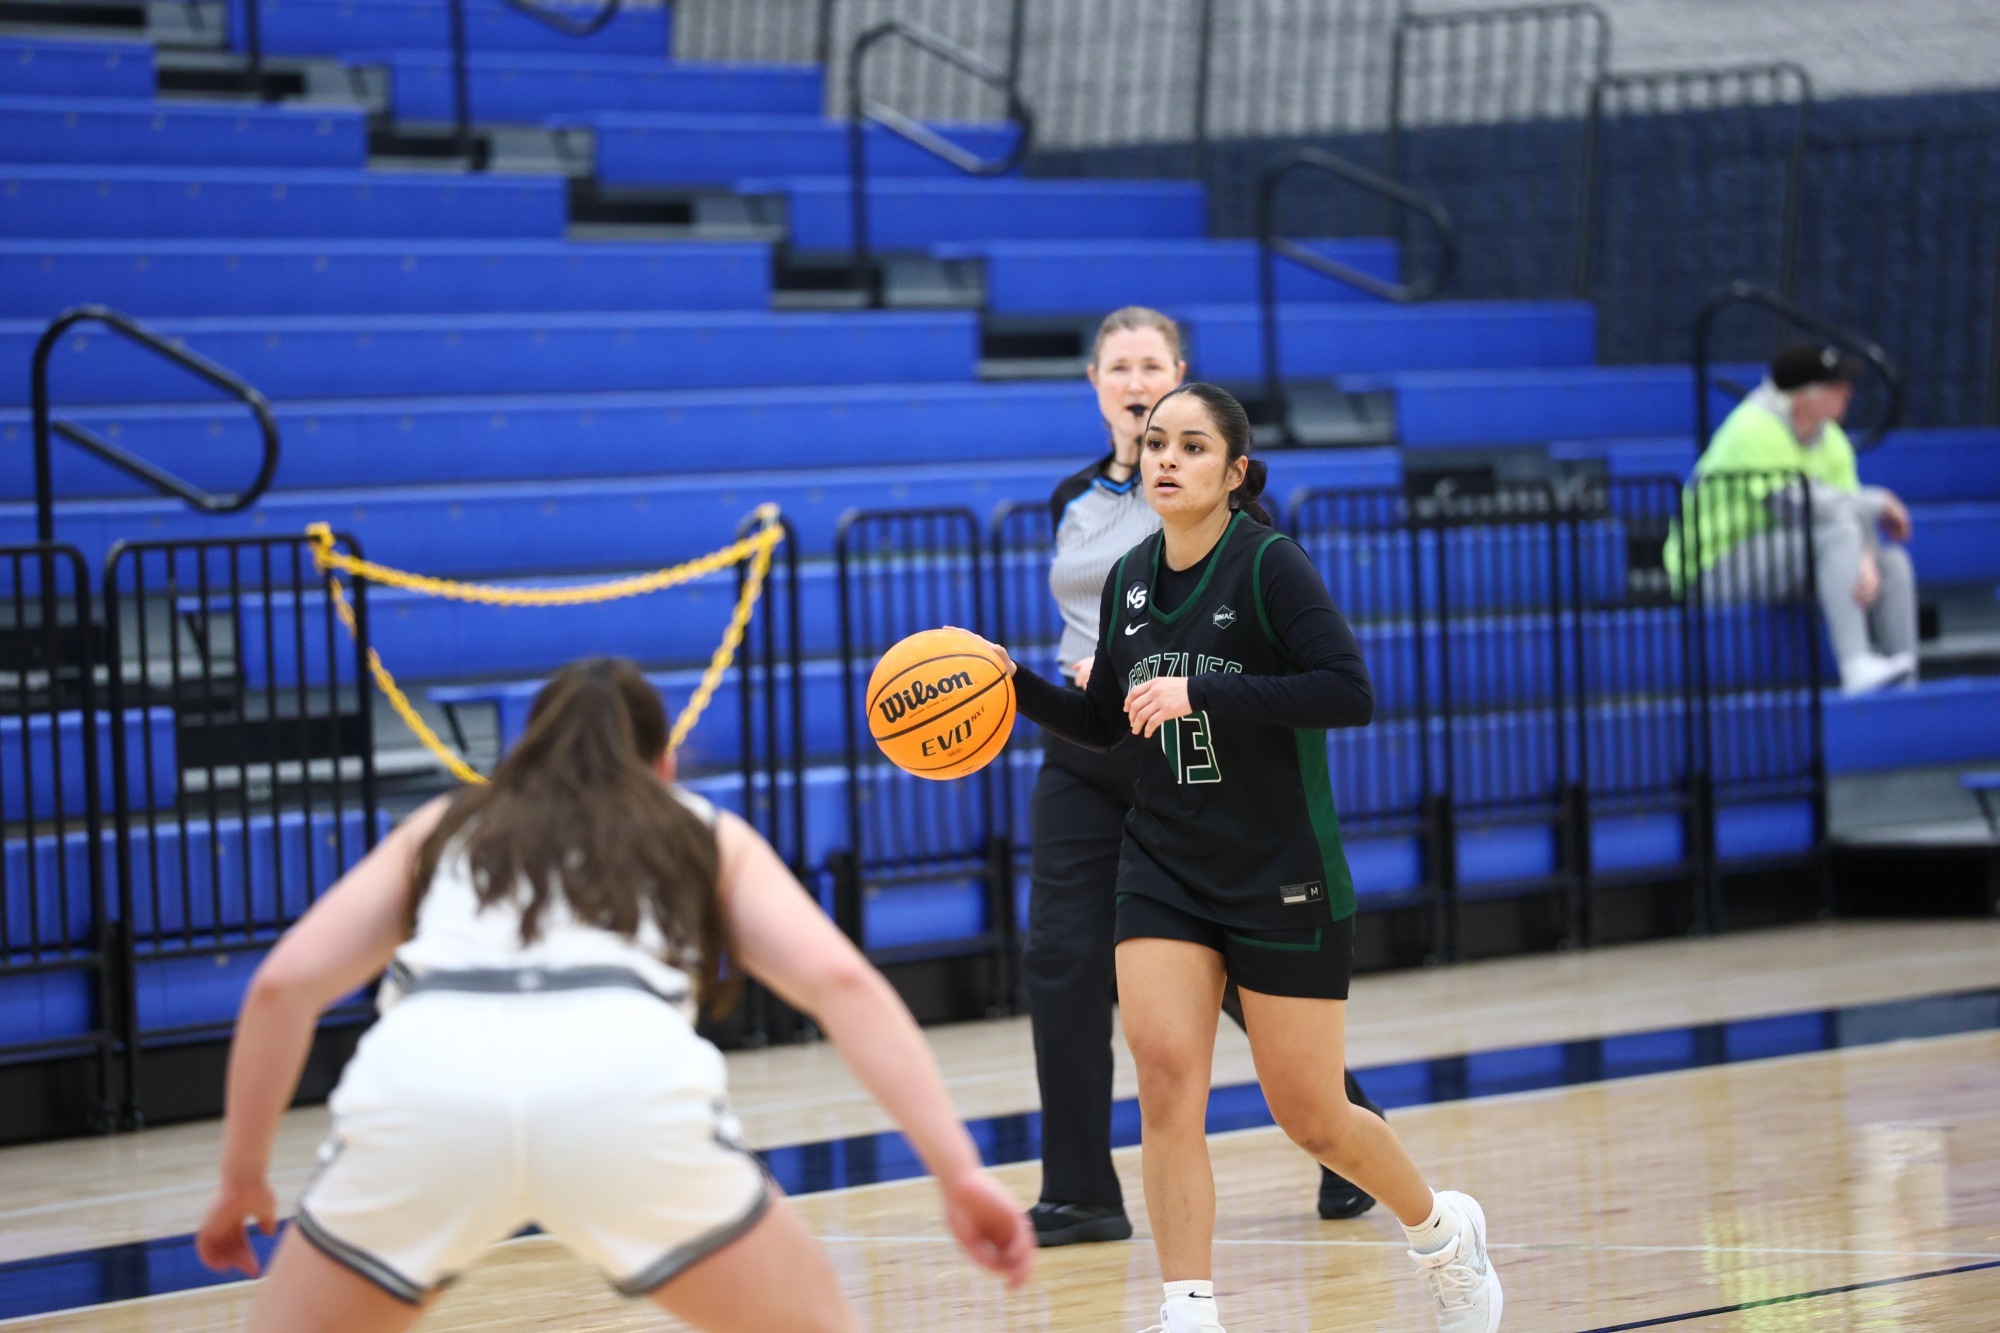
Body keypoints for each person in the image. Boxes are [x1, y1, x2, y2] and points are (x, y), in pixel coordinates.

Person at [194, 658, 1033, 1333]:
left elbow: (281, 987)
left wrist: (241, 1181)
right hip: (622, 1090)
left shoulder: (447, 822)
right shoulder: (697, 825)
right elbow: (841, 982)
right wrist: (958, 1172)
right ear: (664, 763)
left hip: (421, 1090)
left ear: (524, 751)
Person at [976, 384, 1501, 1333]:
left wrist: (1202, 694)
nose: (1165, 457)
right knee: (1167, 1074)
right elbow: (1103, 724)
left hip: (1279, 870)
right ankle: (1188, 1309)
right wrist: (1010, 684)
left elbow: (1348, 692)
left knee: (1312, 1115)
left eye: (1191, 445)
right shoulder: (1130, 577)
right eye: (1155, 443)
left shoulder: (1270, 566)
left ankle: (1438, 1230)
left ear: (1234, 473)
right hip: (1166, 861)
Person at [1024, 308, 1387, 1250]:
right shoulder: (1075, 498)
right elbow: (1103, 663)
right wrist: (1008, 686)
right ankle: (1082, 1195)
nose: (1136, 382)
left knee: (1244, 993)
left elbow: (1331, 682)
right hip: (1093, 752)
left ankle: (1339, 1130)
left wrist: (1195, 684)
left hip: (1199, 759)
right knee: (1068, 962)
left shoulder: (1238, 529)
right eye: (1119, 367)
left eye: (1153, 365)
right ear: (1096, 384)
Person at [1677, 341, 1919, 695]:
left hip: (1784, 559)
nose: (1848, 392)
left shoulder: (1832, 440)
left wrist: (1865, 556)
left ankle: (1906, 686)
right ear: (1806, 395)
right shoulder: (1752, 428)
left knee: (1892, 563)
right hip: (1713, 567)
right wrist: (1877, 500)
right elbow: (1795, 505)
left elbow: (1848, 508)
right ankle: (1855, 664)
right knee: (1835, 535)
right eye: (1837, 386)